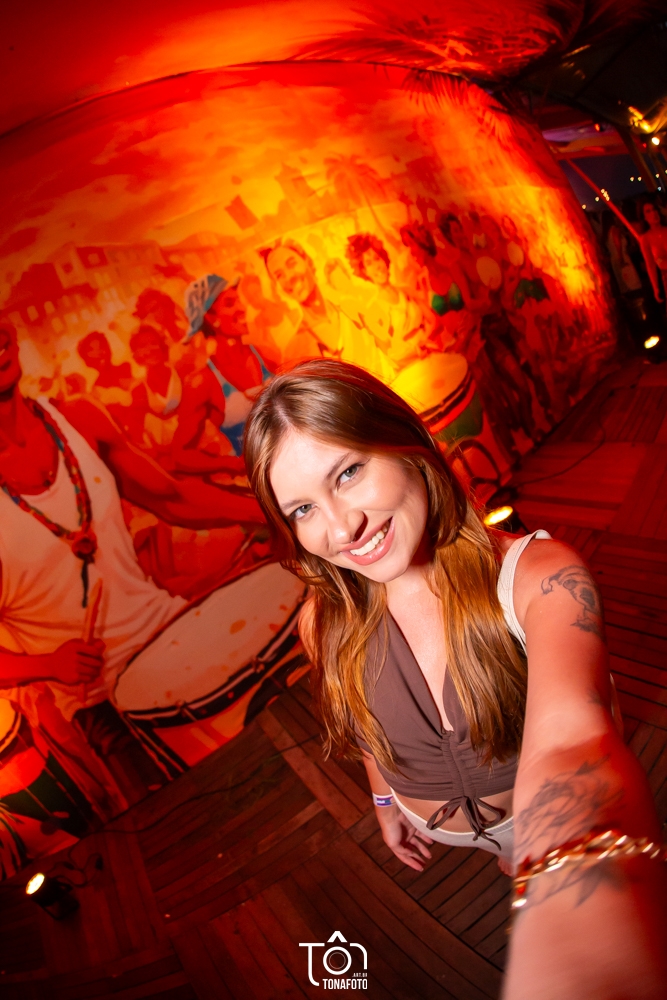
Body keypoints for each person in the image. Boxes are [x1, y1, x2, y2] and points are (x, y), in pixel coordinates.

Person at [244, 359, 666, 999]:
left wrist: (580, 937)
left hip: (532, 818)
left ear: (406, 444)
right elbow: (367, 725)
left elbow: (572, 741)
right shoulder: (322, 622)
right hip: (436, 824)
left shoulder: (540, 577)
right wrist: (384, 802)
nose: (340, 528)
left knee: (519, 854)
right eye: (303, 508)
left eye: (349, 472)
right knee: (505, 859)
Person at [0, 319, 264, 822]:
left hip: (171, 631)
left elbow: (173, 497)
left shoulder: (76, 419)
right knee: (198, 829)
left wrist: (268, 514)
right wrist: (48, 665)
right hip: (102, 703)